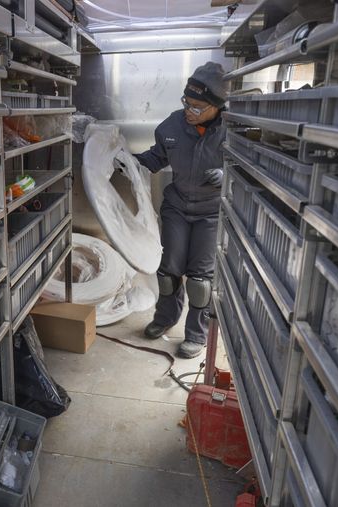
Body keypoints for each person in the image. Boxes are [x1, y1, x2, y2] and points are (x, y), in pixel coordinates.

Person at [133, 61, 227, 358]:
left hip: (211, 212)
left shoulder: (233, 131)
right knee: (168, 272)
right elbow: (157, 157)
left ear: (217, 106)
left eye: (198, 107)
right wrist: (129, 161)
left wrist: (228, 176)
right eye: (187, 102)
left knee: (200, 279)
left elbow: (250, 168)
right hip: (177, 206)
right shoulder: (172, 126)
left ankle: (196, 334)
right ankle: (164, 319)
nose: (190, 110)